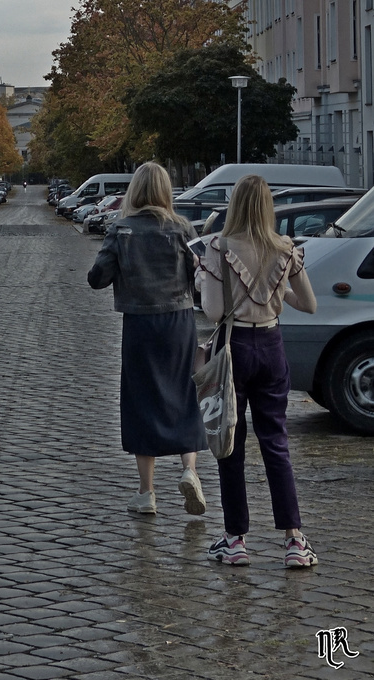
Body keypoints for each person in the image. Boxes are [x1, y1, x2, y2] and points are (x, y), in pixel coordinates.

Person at [195, 174, 318, 568]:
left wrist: (202, 281)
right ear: (268, 207)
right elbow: (309, 304)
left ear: (234, 206)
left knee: (229, 441)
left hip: (233, 348)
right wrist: (275, 292)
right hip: (271, 345)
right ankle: (294, 541)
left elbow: (214, 311)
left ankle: (236, 540)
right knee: (276, 443)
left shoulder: (219, 247)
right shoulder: (285, 249)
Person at [87, 162, 207, 517]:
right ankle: (190, 469)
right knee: (186, 392)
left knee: (142, 401)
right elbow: (196, 273)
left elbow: (98, 277)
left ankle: (147, 492)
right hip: (179, 321)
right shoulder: (183, 228)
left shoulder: (121, 229)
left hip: (140, 325)